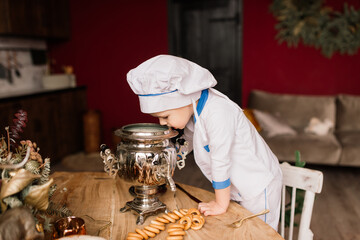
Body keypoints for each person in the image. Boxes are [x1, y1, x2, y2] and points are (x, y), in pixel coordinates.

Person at [126, 54, 283, 230]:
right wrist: (168, 162)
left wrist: (220, 204)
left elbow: (220, 160)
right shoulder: (195, 111)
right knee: (240, 229)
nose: (162, 123)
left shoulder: (218, 113)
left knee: (260, 232)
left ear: (183, 99)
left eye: (165, 116)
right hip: (239, 186)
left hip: (259, 185)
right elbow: (188, 141)